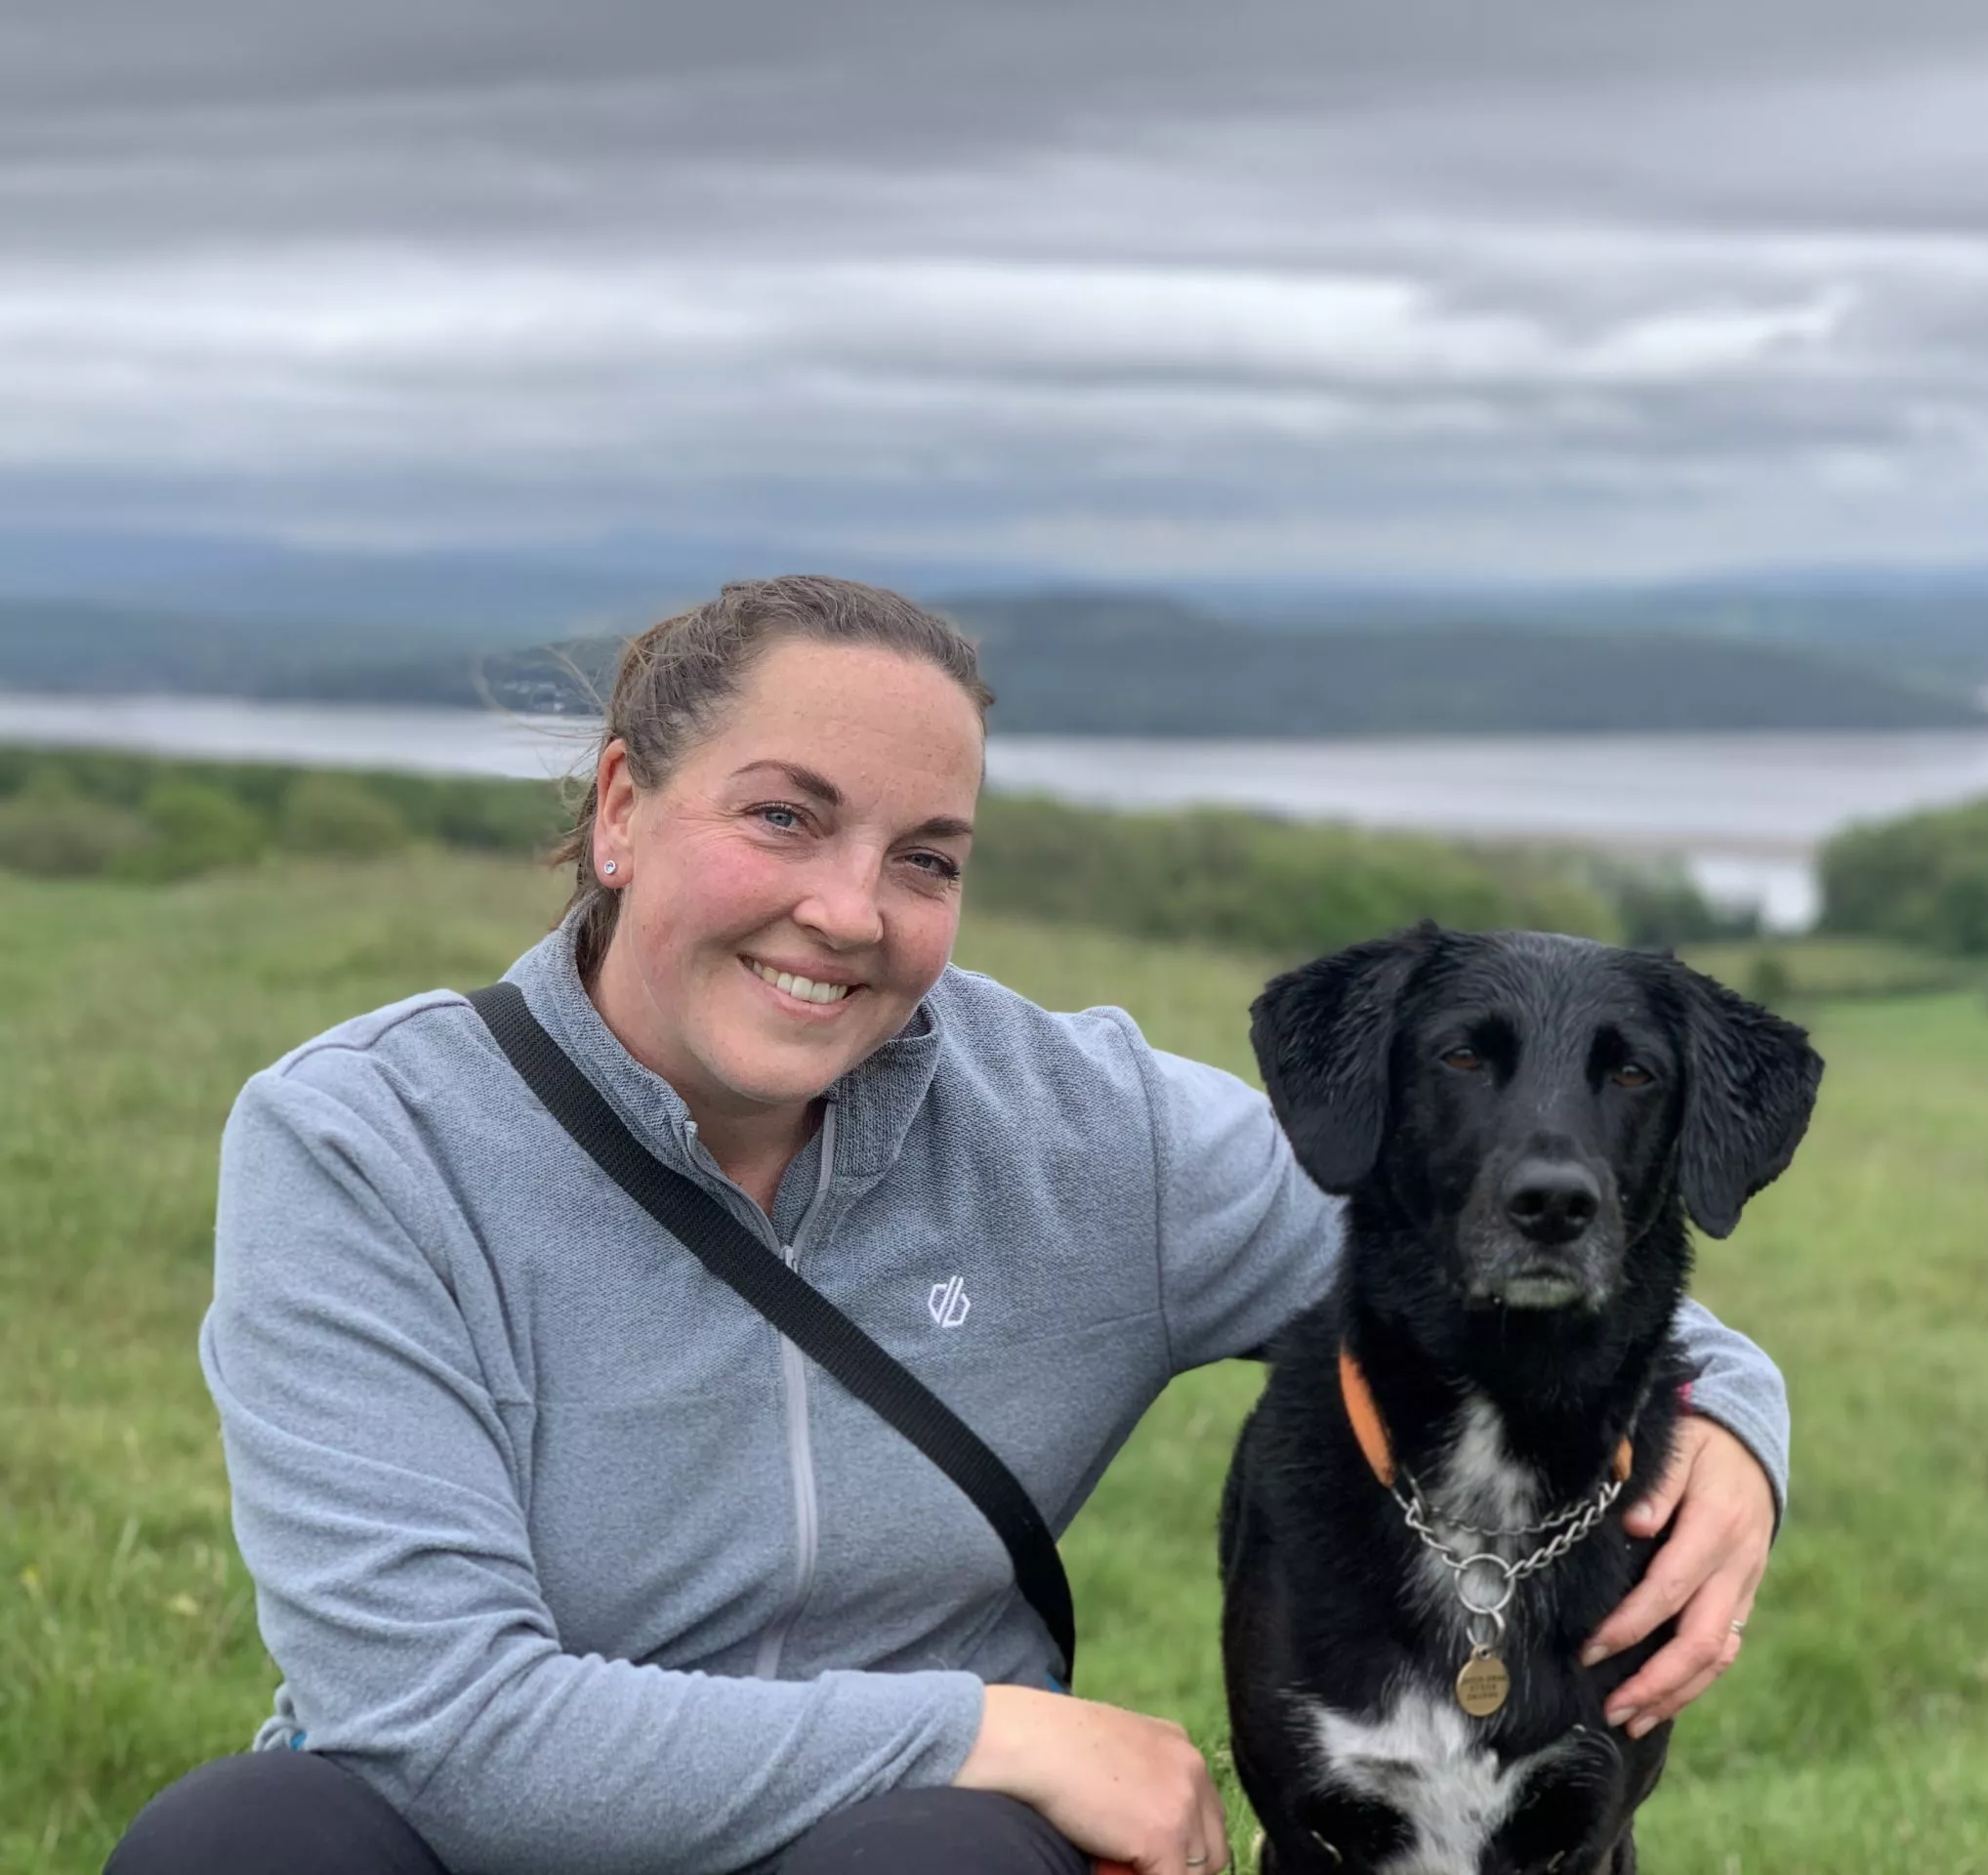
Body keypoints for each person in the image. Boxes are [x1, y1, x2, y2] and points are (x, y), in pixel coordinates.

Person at [107, 577, 1789, 1875]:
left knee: (936, 1862)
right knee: (238, 1845)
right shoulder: (366, 1144)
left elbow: (1482, 1251)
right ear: (620, 809)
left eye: (926, 857)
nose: (847, 911)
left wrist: (1742, 1443)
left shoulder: (1081, 1129)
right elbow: (436, 1724)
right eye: (783, 815)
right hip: (496, 1836)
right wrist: (1002, 1733)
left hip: (900, 1843)